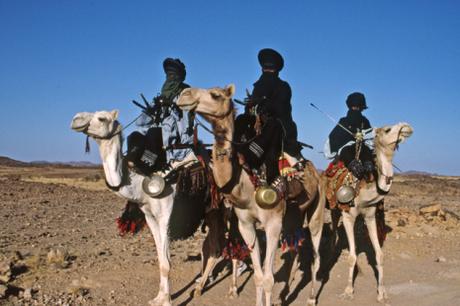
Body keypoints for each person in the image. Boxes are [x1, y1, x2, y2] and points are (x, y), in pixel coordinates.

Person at [235, 48, 303, 183]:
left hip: (280, 126)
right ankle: (235, 149)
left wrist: (262, 102)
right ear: (262, 69)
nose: (267, 72)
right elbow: (253, 109)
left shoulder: (284, 87)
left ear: (276, 71)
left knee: (272, 125)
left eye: (270, 70)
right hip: (257, 123)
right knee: (241, 119)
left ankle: (251, 156)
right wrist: (250, 106)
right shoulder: (258, 86)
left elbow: (281, 107)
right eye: (266, 69)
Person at [127, 58, 195, 175]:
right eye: (168, 75)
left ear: (179, 77)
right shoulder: (161, 97)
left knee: (154, 133)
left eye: (173, 75)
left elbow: (186, 123)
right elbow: (140, 123)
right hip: (155, 134)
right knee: (134, 136)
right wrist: (152, 109)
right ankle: (131, 163)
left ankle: (146, 166)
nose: (170, 78)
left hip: (173, 137)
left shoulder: (186, 94)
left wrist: (174, 106)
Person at [327, 92, 374, 179]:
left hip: (362, 147)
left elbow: (370, 136)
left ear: (361, 108)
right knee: (346, 152)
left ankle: (368, 167)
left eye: (357, 107)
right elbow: (334, 137)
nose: (355, 109)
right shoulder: (343, 121)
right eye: (354, 107)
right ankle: (354, 166)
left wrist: (362, 137)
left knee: (367, 154)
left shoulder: (364, 121)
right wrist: (350, 138)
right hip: (347, 150)